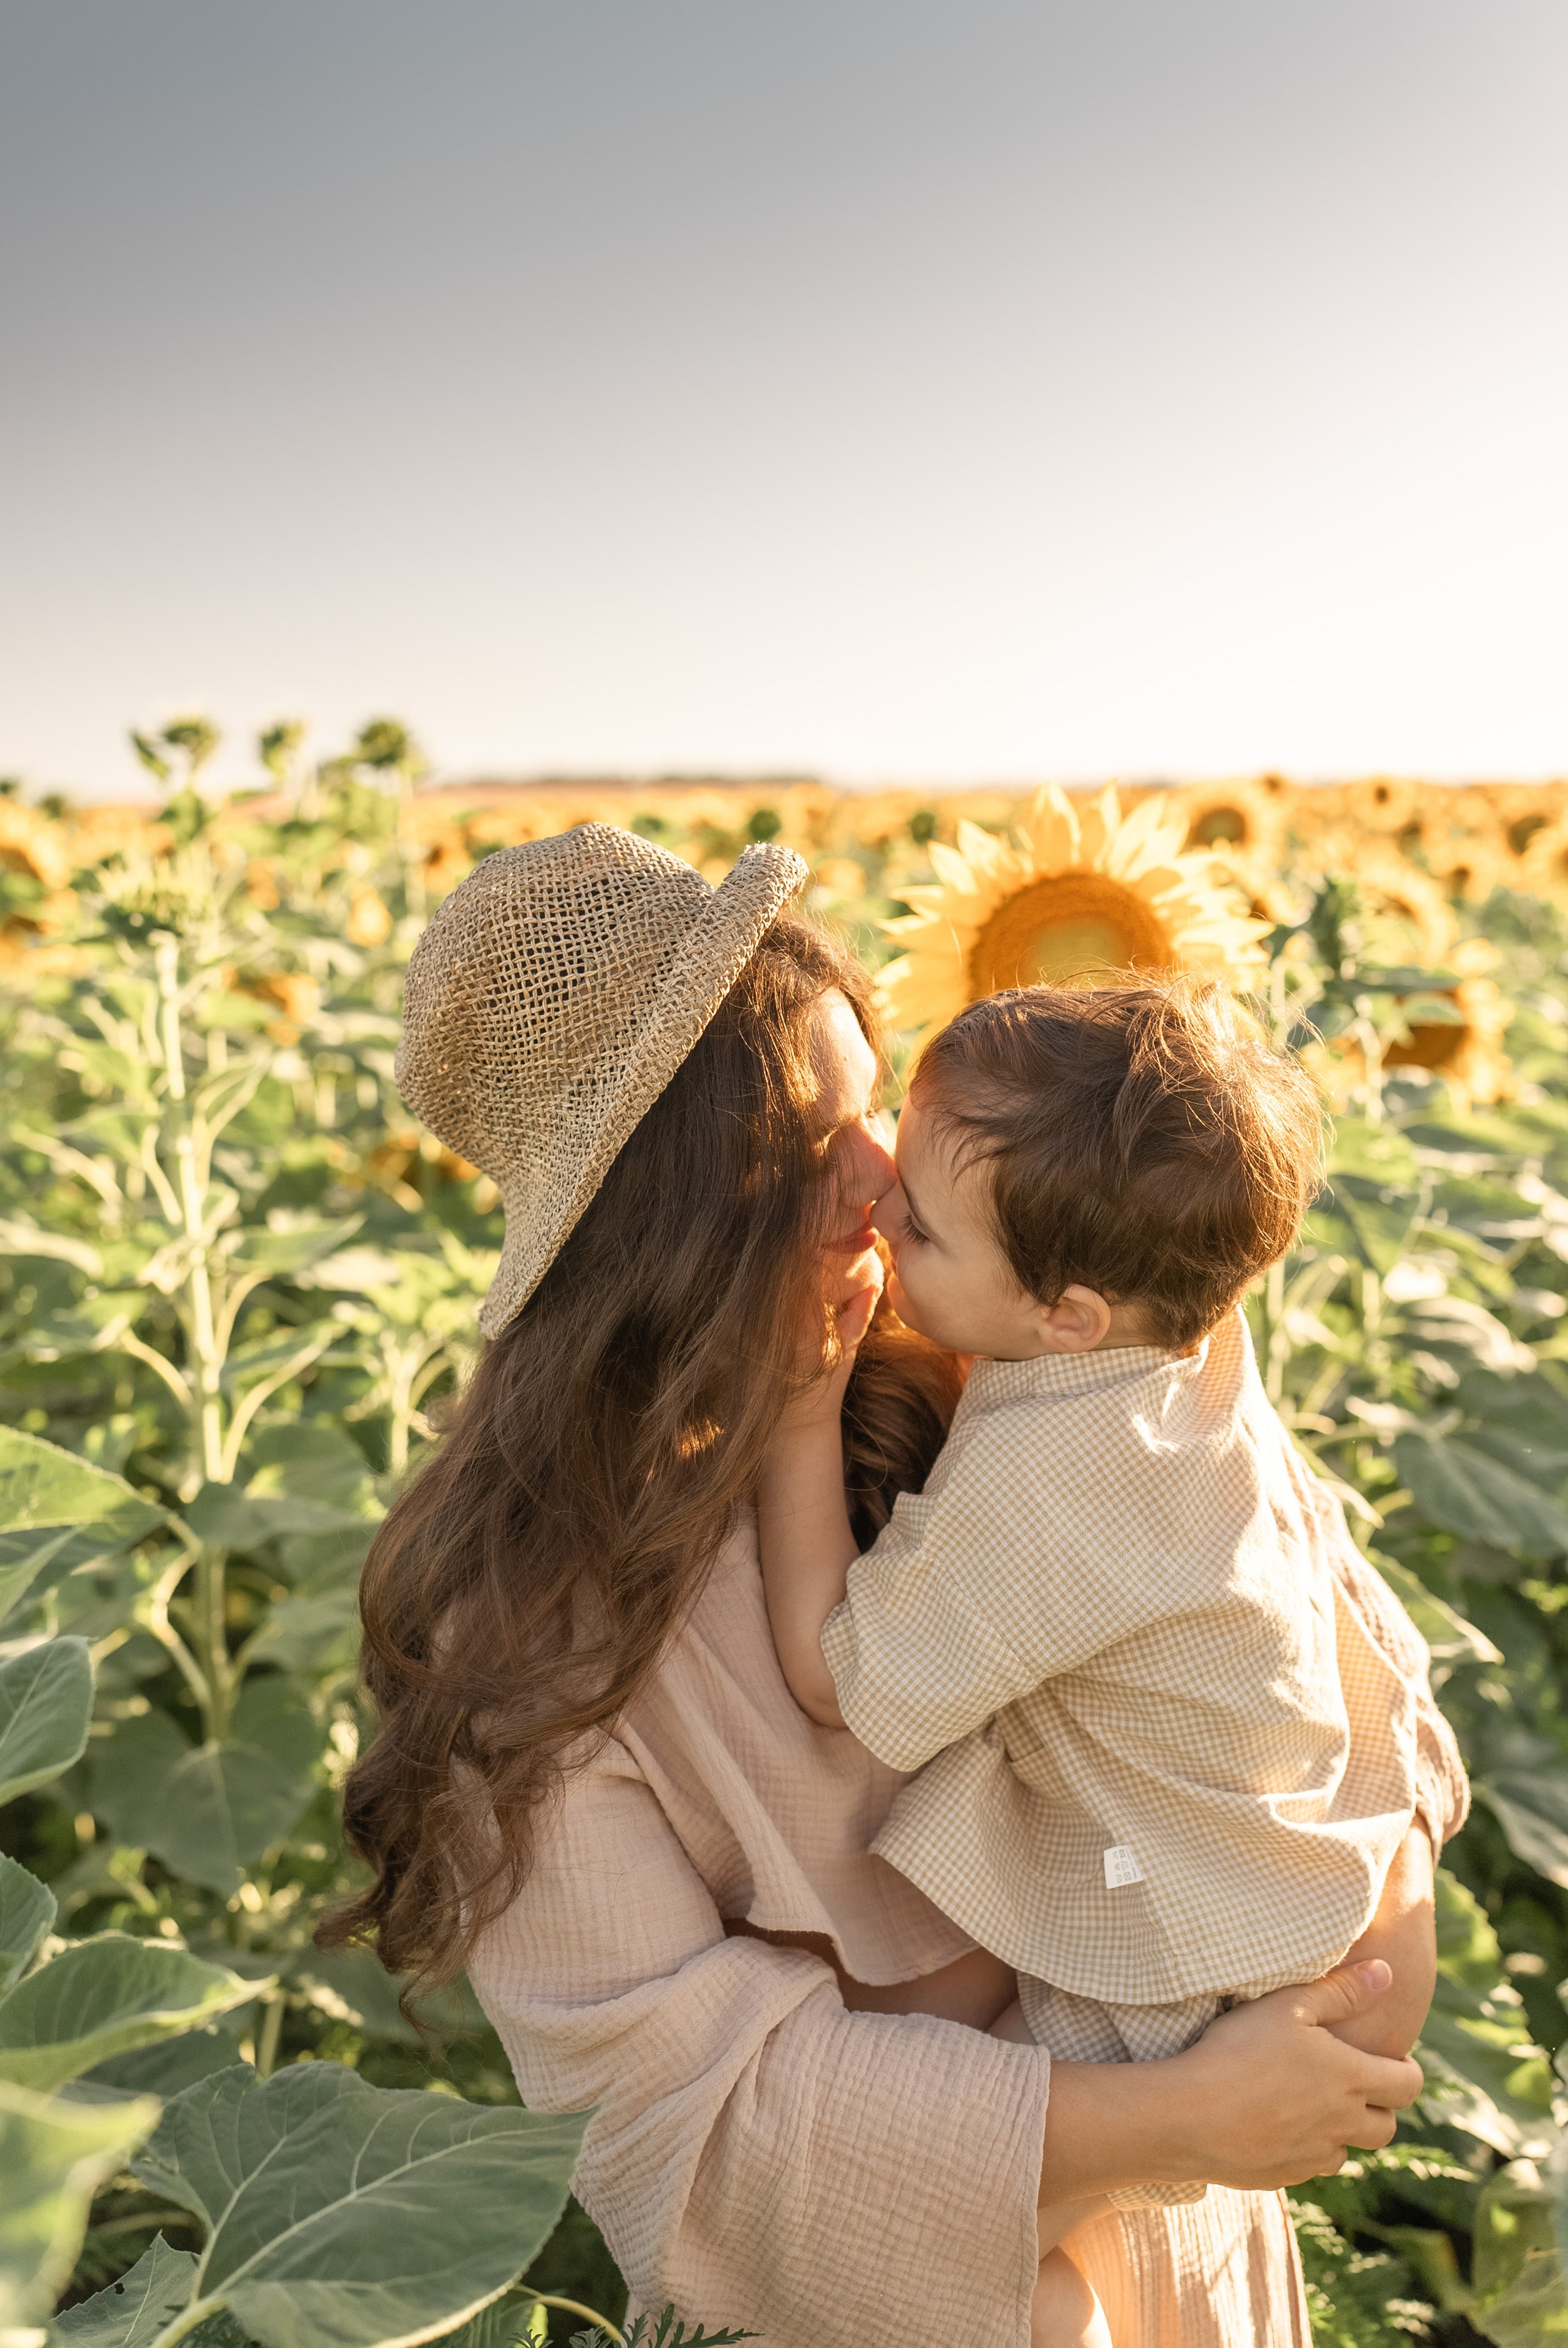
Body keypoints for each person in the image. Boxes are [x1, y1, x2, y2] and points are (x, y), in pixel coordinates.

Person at [322, 825, 1466, 2348]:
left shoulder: (1004, 1362)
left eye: (868, 1105)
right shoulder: (528, 1641)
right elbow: (689, 2129)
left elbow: (1312, 1630)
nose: (877, 1178)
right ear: (659, 1226)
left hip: (1191, 2248)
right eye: (803, 1150)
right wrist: (1187, 2111)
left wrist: (1379, 1910)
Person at [758, 979, 1442, 2344]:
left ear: (1067, 1313)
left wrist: (799, 1414)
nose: (882, 1209)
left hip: (1175, 1960)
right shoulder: (1189, 1341)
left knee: (907, 2230)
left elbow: (841, 1680)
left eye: (923, 1229)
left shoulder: (1046, 1480)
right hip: (1292, 1868)